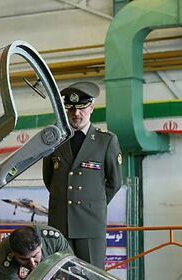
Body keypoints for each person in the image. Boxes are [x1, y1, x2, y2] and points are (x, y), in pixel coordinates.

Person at [43, 81, 123, 268]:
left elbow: (114, 182)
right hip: (60, 223)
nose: (76, 114)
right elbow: (49, 179)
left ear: (92, 108)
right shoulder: (55, 139)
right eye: (70, 109)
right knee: (61, 279)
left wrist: (92, 203)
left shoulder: (106, 141)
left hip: (90, 224)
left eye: (81, 108)